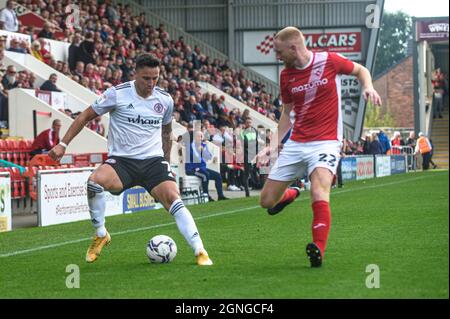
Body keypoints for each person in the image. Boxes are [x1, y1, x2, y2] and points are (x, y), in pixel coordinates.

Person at [48, 54, 213, 266]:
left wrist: (165, 162)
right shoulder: (117, 94)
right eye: (146, 78)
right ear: (135, 74)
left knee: (174, 198)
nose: (151, 83)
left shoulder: (165, 100)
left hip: (153, 162)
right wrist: (63, 144)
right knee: (94, 182)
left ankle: (200, 251)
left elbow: (166, 131)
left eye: (155, 78)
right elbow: (85, 117)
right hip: (123, 162)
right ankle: (101, 234)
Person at [257, 26, 381, 267]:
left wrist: (368, 86)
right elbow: (286, 112)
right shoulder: (286, 76)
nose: (277, 56)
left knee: (319, 190)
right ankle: (291, 193)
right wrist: (273, 145)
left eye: (279, 51)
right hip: (296, 142)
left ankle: (318, 249)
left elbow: (361, 70)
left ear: (294, 47)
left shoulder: (329, 61)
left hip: (326, 141)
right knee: (266, 202)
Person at [185, 130, 229, 201]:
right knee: (205, 175)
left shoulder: (202, 145)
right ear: (195, 138)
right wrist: (201, 151)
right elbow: (196, 158)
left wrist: (204, 150)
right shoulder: (190, 146)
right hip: (192, 169)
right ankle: (206, 196)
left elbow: (209, 157)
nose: (201, 138)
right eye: (199, 136)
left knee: (217, 176)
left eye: (202, 136)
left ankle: (220, 196)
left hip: (202, 168)